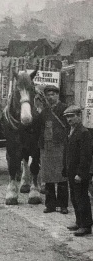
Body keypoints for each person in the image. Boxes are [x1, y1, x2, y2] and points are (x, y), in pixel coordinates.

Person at [63, 105, 93, 237]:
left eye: (72, 116)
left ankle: (86, 225)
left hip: (79, 173)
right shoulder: (70, 131)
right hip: (71, 171)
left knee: (82, 198)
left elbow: (86, 156)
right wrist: (65, 169)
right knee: (75, 198)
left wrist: (81, 174)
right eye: (67, 117)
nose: (69, 119)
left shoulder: (84, 132)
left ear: (79, 117)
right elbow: (67, 153)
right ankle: (79, 221)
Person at [38, 85, 69, 214]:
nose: (51, 97)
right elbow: (38, 127)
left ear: (57, 95)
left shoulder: (65, 109)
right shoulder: (44, 111)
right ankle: (50, 204)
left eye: (53, 94)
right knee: (48, 177)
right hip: (47, 146)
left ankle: (63, 205)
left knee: (62, 176)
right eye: (48, 95)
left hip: (60, 145)